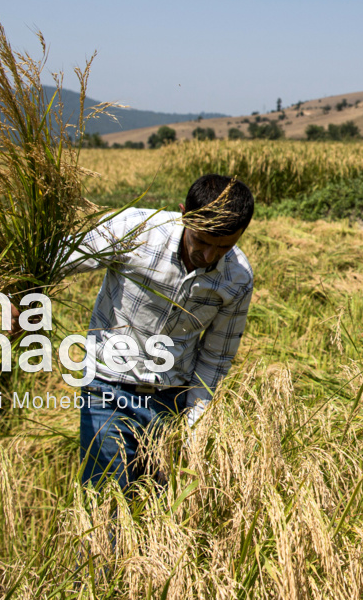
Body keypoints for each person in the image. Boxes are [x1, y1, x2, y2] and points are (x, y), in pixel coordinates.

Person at [67, 173, 255, 490]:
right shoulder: (136, 230)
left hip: (170, 400)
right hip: (108, 386)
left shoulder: (236, 279)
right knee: (108, 500)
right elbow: (64, 256)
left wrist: (195, 427)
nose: (208, 256)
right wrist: (21, 296)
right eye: (202, 241)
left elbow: (215, 358)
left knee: (158, 504)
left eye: (223, 247)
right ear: (184, 215)